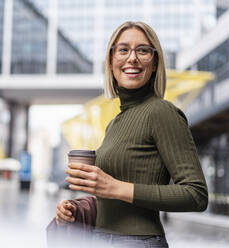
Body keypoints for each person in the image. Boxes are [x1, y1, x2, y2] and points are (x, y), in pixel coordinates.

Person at [55, 21, 208, 248]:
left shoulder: (162, 112)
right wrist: (76, 210)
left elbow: (196, 195)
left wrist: (115, 187)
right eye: (123, 50)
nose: (132, 58)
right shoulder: (115, 122)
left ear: (155, 62)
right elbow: (113, 198)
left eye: (143, 50)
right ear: (111, 60)